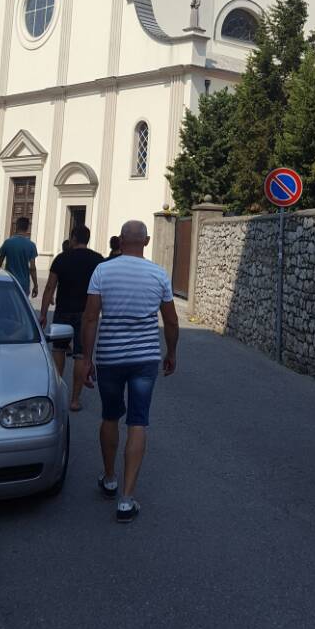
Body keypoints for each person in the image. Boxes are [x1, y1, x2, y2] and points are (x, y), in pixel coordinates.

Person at [80, 220, 179, 523]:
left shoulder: (103, 271)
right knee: (138, 421)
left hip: (110, 357)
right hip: (144, 358)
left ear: (121, 240)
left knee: (110, 416)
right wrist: (171, 352)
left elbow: (90, 318)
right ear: (146, 241)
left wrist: (87, 358)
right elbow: (172, 321)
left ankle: (109, 478)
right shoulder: (158, 274)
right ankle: (126, 498)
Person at [39, 225, 104, 411]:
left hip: (63, 311)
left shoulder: (61, 258)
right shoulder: (97, 260)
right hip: (86, 313)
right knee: (81, 355)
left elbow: (50, 287)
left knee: (59, 351)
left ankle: (58, 397)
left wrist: (43, 313)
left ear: (73, 238)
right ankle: (75, 400)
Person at [0, 217, 38, 298]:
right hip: (24, 284)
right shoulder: (31, 245)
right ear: (27, 227)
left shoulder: (8, 242)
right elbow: (32, 268)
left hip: (9, 281)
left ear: (16, 226)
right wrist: (36, 285)